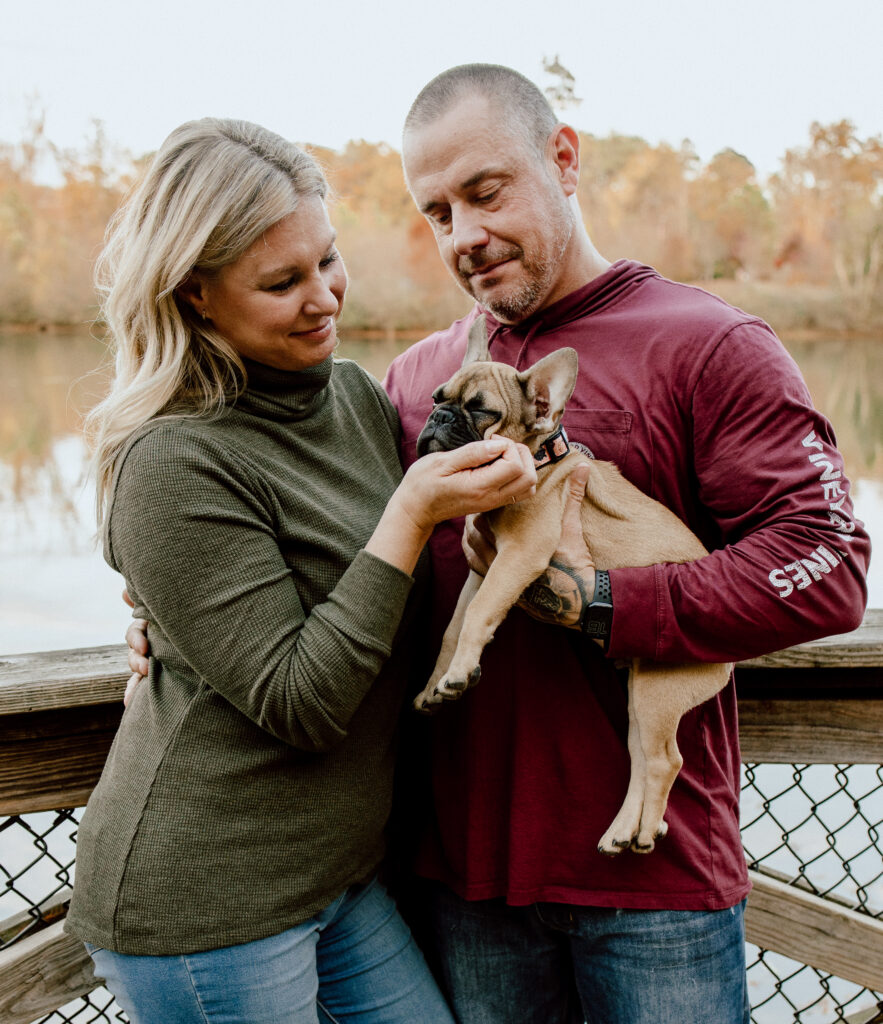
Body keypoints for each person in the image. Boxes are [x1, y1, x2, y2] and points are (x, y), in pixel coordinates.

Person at [378, 64, 871, 1024]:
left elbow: (827, 565)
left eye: (485, 193)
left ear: (562, 160)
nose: (464, 236)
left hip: (654, 893)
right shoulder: (416, 381)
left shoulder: (709, 344)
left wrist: (606, 607)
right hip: (460, 882)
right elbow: (331, 548)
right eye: (437, 213)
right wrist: (161, 605)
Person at [63, 117, 539, 1024]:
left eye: (326, 260)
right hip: (210, 907)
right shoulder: (172, 461)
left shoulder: (355, 396)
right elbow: (303, 700)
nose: (323, 297)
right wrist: (408, 513)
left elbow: (385, 600)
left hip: (340, 879)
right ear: (196, 296)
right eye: (282, 282)